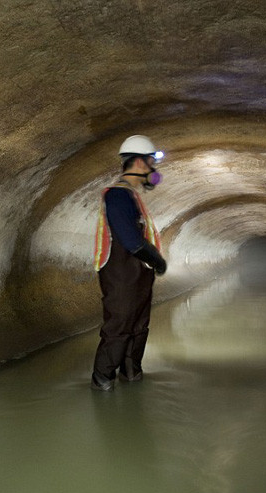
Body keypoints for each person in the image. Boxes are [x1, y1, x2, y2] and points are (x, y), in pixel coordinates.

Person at [91, 135, 167, 391]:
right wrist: (157, 260)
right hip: (121, 273)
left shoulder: (133, 197)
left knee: (138, 325)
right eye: (150, 163)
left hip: (138, 273)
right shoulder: (117, 196)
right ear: (138, 163)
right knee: (120, 324)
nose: (153, 171)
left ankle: (131, 372)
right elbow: (131, 241)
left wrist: (151, 265)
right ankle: (102, 379)